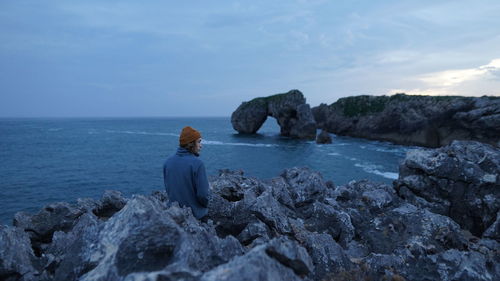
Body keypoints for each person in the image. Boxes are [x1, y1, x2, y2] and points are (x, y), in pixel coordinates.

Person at [163, 126, 209, 220]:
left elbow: (169, 191)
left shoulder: (167, 163)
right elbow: (203, 195)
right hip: (196, 216)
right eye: (199, 142)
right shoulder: (198, 164)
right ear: (191, 144)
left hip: (174, 215)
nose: (201, 145)